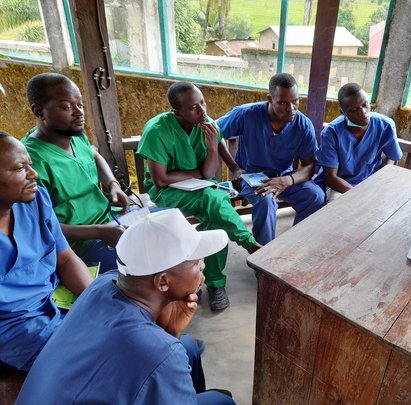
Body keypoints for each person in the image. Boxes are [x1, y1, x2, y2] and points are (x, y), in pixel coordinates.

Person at [17, 209, 236, 404]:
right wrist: (166, 342)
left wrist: (170, 333)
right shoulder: (161, 353)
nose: (203, 265)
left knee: (187, 348)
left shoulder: (104, 283)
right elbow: (157, 354)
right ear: (162, 282)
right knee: (221, 400)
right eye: (197, 263)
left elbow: (155, 352)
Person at [136, 81, 259, 311]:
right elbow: (160, 180)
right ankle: (247, 246)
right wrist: (199, 173)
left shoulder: (208, 125)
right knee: (214, 200)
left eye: (202, 102)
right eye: (194, 107)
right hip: (166, 192)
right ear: (177, 111)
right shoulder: (157, 130)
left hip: (201, 187)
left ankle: (208, 282)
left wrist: (213, 147)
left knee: (214, 218)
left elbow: (210, 173)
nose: (202, 110)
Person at [0, 132, 93, 371]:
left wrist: (95, 299)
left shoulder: (36, 201)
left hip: (57, 305)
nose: (34, 174)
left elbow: (65, 258)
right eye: (20, 168)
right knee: (97, 359)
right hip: (16, 332)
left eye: (30, 164)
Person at [23, 73, 131, 273]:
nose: (79, 112)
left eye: (79, 105)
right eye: (67, 107)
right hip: (77, 248)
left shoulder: (74, 135)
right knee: (144, 266)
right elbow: (41, 227)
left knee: (169, 228)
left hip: (111, 220)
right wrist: (98, 231)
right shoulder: (30, 162)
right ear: (39, 111)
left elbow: (94, 156)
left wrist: (112, 184)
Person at [217, 73, 325, 244]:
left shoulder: (303, 125)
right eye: (283, 102)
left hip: (284, 176)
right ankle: (262, 257)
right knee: (266, 200)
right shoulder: (246, 114)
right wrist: (234, 168)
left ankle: (294, 244)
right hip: (251, 177)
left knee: (316, 196)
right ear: (270, 99)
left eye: (295, 101)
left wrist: (286, 180)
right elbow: (214, 133)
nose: (291, 108)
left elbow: (309, 165)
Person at [315, 82, 402, 202]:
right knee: (337, 208)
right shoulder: (332, 133)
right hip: (339, 187)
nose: (363, 112)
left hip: (369, 183)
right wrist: (358, 196)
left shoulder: (384, 125)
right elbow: (331, 178)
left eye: (365, 105)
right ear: (343, 112)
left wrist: (381, 184)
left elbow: (393, 157)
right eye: (354, 110)